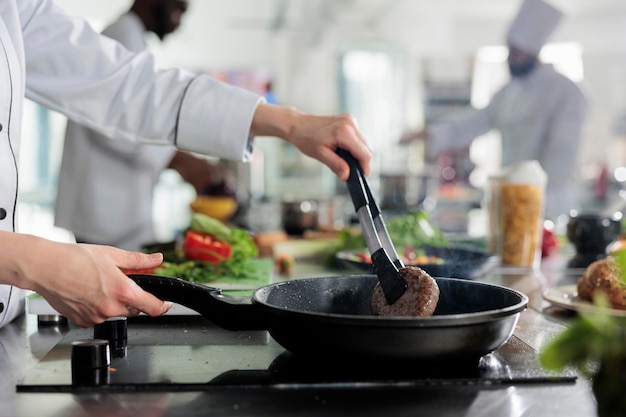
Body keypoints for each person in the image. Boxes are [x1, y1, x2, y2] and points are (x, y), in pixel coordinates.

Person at [0, 0, 372, 329]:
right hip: (97, 213)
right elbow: (121, 130)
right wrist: (42, 263)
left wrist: (292, 124)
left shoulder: (18, 9)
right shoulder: (121, 31)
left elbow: (132, 89)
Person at [55, 0, 228, 252]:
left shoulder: (130, 39)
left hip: (115, 211)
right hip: (102, 211)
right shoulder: (120, 37)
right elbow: (115, 127)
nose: (178, 23)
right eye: (178, 9)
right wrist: (177, 159)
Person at [401, 0, 588, 219]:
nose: (509, 58)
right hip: (511, 197)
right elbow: (474, 123)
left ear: (532, 51)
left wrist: (535, 202)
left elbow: (561, 160)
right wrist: (425, 134)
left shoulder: (566, 91)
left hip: (549, 206)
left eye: (515, 52)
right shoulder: (509, 92)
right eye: (509, 50)